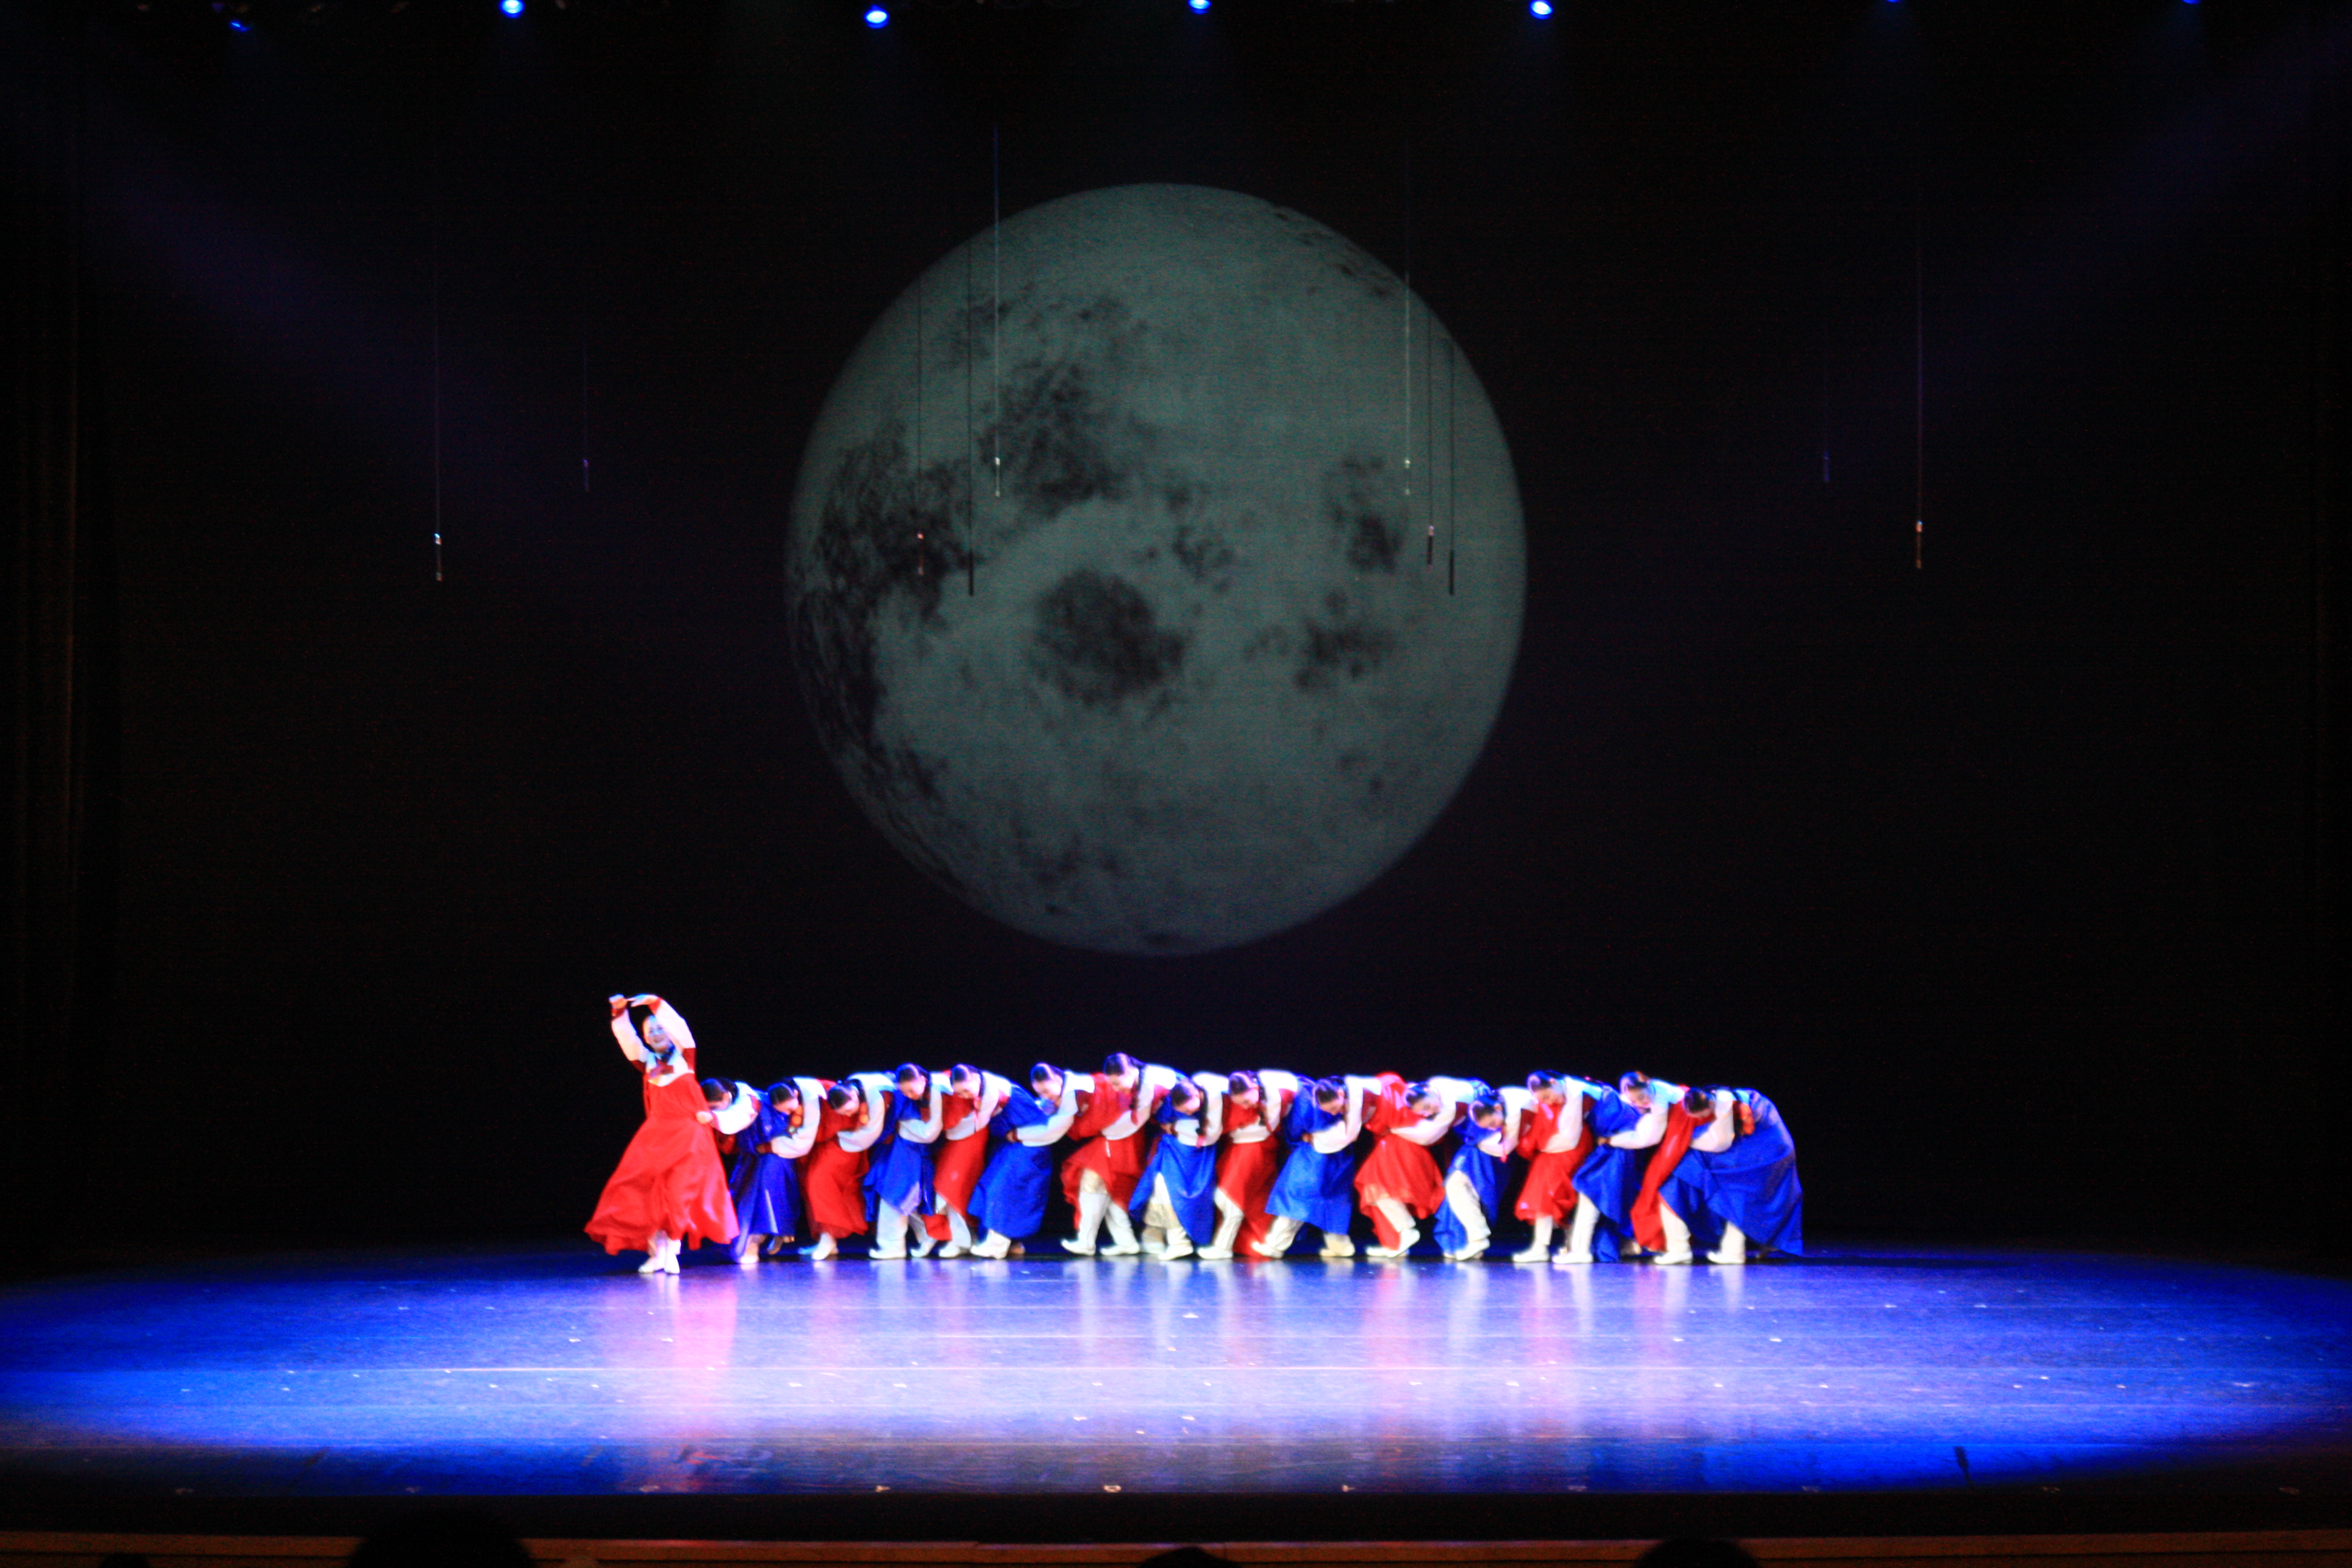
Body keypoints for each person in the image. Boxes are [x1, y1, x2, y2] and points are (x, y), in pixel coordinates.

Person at [584, 994, 738, 1274]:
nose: (656, 1033)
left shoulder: (685, 1057)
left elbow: (679, 1026)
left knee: (678, 1194)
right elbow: (627, 1040)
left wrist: (656, 1003)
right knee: (643, 1193)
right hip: (656, 1136)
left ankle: (673, 1248)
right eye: (650, 1031)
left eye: (660, 1028)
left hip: (689, 1136)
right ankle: (656, 1251)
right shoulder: (647, 1062)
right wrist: (619, 1013)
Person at [1658, 1085, 1803, 1263]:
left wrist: (1685, 1141)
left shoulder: (1726, 1104)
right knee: (1686, 1177)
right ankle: (1682, 1249)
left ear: (1710, 1105)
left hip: (1768, 1152)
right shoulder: (1719, 1099)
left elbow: (1721, 1144)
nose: (1702, 1119)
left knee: (1741, 1191)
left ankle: (1732, 1252)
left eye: (1702, 1115)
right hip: (1759, 1148)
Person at [1059, 1053, 1179, 1256]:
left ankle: (1088, 1241)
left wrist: (1102, 1129)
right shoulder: (1127, 1085)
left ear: (1130, 1072)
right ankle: (1124, 1241)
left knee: (1097, 1182)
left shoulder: (1150, 1085)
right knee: (1107, 1187)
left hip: (1144, 1137)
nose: (1115, 1088)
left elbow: (1134, 1121)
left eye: (1117, 1083)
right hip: (1134, 1136)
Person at [968, 1063, 1086, 1258]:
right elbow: (1043, 1109)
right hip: (1023, 1146)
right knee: (994, 1187)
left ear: (1058, 1080)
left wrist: (1017, 1134)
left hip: (1032, 1147)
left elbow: (1053, 1130)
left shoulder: (1073, 1093)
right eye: (1041, 1092)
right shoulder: (1054, 1096)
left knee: (1004, 1191)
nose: (1045, 1095)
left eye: (1047, 1091)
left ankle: (997, 1245)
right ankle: (1012, 1243)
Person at [1255, 1075, 1369, 1258]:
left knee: (1319, 1199)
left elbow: (1298, 1132)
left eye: (1336, 1108)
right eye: (1330, 1110)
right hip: (1319, 1157)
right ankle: (1279, 1244)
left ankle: (1279, 1245)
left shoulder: (1352, 1101)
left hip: (1329, 1158)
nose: (1335, 1113)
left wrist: (1310, 1138)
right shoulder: (1307, 1102)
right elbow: (1297, 1131)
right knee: (1309, 1198)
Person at [1353, 1074, 1463, 1258]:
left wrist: (1395, 1128)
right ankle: (1396, 1240)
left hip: (1405, 1149)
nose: (1428, 1112)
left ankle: (1405, 1231)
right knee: (1373, 1189)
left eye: (1428, 1108)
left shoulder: (1446, 1104)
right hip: (1394, 1147)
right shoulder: (1405, 1094)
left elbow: (1427, 1137)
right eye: (1424, 1110)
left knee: (1376, 1188)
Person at [1197, 1069, 1296, 1259]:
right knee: (1232, 1199)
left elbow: (1268, 1129)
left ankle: (1223, 1246)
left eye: (1246, 1101)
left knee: (1231, 1199)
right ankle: (1232, 1244)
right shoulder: (1231, 1100)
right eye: (1239, 1103)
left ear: (1255, 1089)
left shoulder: (1276, 1096)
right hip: (1238, 1150)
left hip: (1257, 1151)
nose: (1245, 1107)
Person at [1128, 1074, 1226, 1259]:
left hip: (1197, 1156)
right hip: (1173, 1150)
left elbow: (1210, 1134)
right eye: (1183, 1111)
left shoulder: (1214, 1099)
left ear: (1197, 1096)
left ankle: (1178, 1242)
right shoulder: (1173, 1101)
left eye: (1189, 1110)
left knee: (1173, 1193)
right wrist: (1173, 1126)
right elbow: (1164, 1121)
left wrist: (1176, 1127)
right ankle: (1155, 1236)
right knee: (1158, 1187)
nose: (1188, 1114)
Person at [728, 1077, 824, 1263]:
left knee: (778, 1195)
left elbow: (802, 1141)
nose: (788, 1113)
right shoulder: (763, 1109)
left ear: (796, 1095)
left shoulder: (810, 1102)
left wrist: (776, 1143)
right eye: (784, 1110)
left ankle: (774, 1235)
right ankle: (755, 1242)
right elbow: (753, 1139)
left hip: (785, 1158)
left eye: (790, 1109)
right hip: (766, 1159)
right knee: (762, 1198)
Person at [802, 1071, 892, 1259]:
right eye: (843, 1113)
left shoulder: (876, 1094)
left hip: (850, 1146)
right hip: (834, 1143)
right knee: (814, 1185)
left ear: (854, 1096)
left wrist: (842, 1133)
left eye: (849, 1111)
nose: (849, 1115)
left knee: (822, 1184)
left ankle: (829, 1238)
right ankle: (826, 1238)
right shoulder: (844, 1090)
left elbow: (869, 1133)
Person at [1510, 1070, 1597, 1263]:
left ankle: (1542, 1247)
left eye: (1548, 1096)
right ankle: (1544, 1246)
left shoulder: (1574, 1091)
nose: (1548, 1102)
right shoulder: (1556, 1099)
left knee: (1547, 1196)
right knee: (1541, 1196)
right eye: (1543, 1100)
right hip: (1553, 1153)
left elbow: (1569, 1137)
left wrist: (1542, 1146)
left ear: (1554, 1083)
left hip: (1569, 1150)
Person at [864, 1063, 946, 1260]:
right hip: (901, 1149)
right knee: (899, 1195)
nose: (909, 1095)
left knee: (895, 1194)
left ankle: (893, 1246)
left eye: (912, 1090)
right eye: (904, 1091)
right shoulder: (903, 1096)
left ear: (923, 1081)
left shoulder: (937, 1092)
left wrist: (901, 1125)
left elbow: (929, 1134)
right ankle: (927, 1234)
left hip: (912, 1152)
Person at [926, 1064, 1010, 1257]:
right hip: (953, 1142)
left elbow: (978, 1122)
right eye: (959, 1093)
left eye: (966, 1090)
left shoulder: (994, 1091)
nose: (963, 1095)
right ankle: (960, 1238)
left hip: (971, 1140)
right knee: (948, 1189)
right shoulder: (945, 1086)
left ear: (976, 1079)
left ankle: (961, 1241)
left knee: (952, 1189)